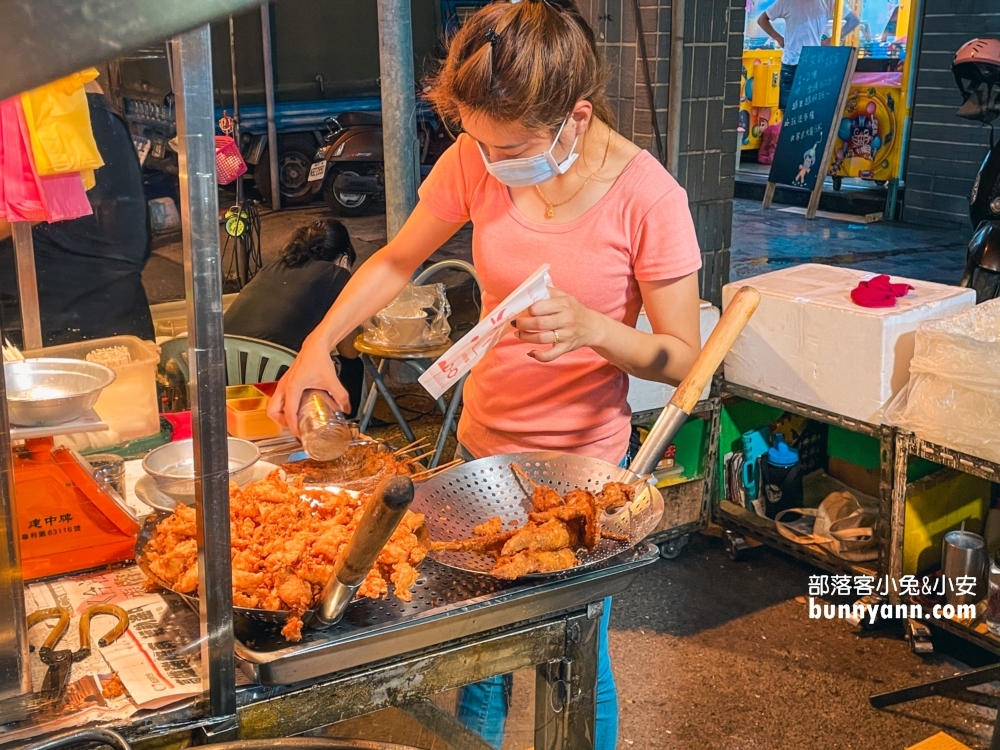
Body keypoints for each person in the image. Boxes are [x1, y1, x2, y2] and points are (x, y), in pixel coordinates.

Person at [267, 0, 703, 747]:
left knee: (578, 658)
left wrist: (597, 330)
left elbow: (685, 358)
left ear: (576, 116)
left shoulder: (649, 197)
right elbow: (397, 258)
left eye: (508, 147)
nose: (491, 164)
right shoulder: (475, 159)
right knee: (477, 658)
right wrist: (317, 344)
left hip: (582, 475)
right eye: (478, 142)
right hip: (480, 459)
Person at [0, 79, 154, 347]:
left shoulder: (32, 112)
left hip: (52, 330)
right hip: (113, 315)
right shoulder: (85, 99)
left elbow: (25, 210)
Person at [224, 218, 364, 415]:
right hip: (276, 368)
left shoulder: (271, 268)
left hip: (227, 365)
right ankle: (346, 422)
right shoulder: (336, 274)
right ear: (343, 258)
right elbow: (350, 350)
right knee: (352, 365)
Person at [758, 0, 861, 109]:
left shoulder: (827, 2)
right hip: (793, 64)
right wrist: (778, 38)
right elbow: (762, 20)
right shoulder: (786, 2)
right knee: (789, 111)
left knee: (809, 110)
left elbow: (853, 21)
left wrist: (830, 40)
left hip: (812, 64)